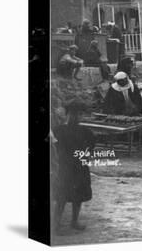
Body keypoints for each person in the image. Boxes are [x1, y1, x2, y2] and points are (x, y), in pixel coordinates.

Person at [52, 99, 95, 233]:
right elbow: (52, 148)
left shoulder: (86, 131)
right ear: (67, 115)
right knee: (62, 196)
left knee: (79, 195)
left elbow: (91, 148)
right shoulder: (57, 130)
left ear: (81, 116)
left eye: (79, 114)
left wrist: (85, 156)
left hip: (79, 167)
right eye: (73, 114)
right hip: (64, 167)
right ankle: (56, 224)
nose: (76, 117)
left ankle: (74, 221)